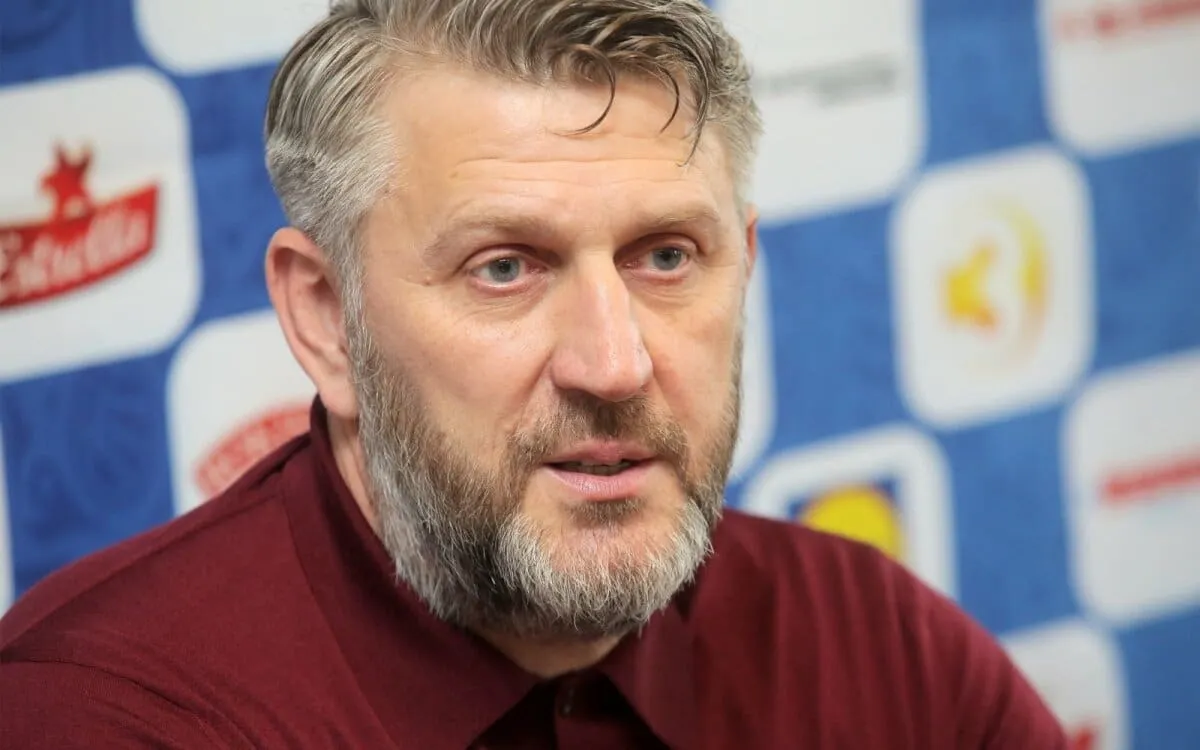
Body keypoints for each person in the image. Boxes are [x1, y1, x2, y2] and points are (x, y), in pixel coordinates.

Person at [0, 0, 1068, 747]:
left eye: (666, 258)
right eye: (504, 267)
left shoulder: (881, 652)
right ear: (327, 320)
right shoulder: (100, 716)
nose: (615, 364)